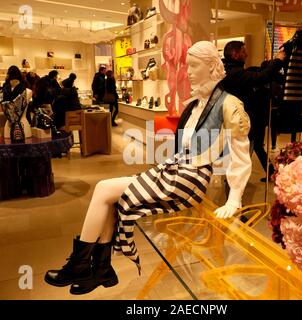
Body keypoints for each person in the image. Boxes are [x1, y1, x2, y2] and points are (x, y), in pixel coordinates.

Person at [44, 41, 252, 295]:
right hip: (176, 170)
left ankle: (81, 265)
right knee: (110, 197)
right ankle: (100, 269)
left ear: (210, 67)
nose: (187, 72)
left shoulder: (230, 105)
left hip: (190, 179)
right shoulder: (196, 104)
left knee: (103, 188)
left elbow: (241, 157)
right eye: (188, 66)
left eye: (193, 66)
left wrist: (234, 199)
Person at [221, 41, 286, 182]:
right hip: (242, 119)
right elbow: (260, 77)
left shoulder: (230, 70)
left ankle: (270, 173)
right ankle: (237, 177)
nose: (247, 54)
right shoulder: (234, 73)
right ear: (235, 54)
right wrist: (278, 61)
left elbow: (259, 74)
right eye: (244, 51)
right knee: (243, 149)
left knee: (253, 145)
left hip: (243, 118)